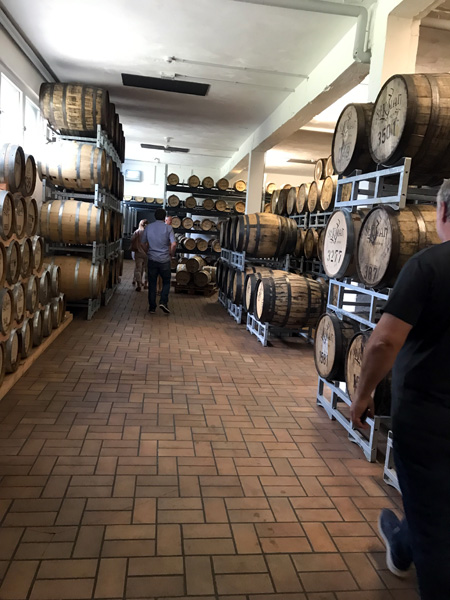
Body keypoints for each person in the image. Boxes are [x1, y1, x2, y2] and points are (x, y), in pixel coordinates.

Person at [350, 179, 450, 600]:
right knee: (435, 510)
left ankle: (416, 551)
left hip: (430, 421)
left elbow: (384, 342)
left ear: (442, 211)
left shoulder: (429, 265)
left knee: (434, 534)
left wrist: (362, 394)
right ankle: (401, 544)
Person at [141, 208, 176, 314]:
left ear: (155, 216)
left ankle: (152, 307)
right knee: (166, 282)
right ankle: (163, 301)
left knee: (152, 283)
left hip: (152, 259)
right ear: (164, 217)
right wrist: (171, 254)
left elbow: (142, 243)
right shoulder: (168, 228)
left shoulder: (148, 227)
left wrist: (148, 251)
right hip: (164, 260)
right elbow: (174, 244)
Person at [130, 219, 148, 292]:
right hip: (147, 253)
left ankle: (139, 284)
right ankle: (146, 283)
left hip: (138, 252)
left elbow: (131, 240)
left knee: (138, 269)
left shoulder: (137, 232)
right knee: (147, 269)